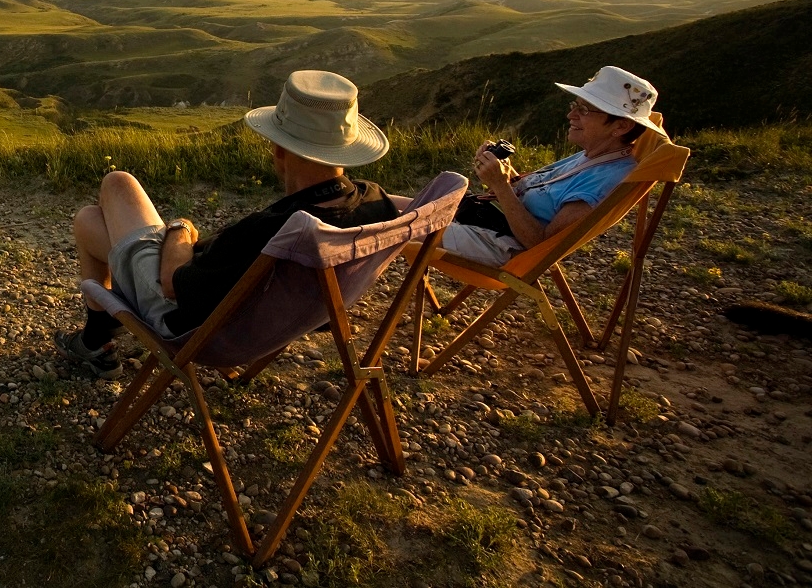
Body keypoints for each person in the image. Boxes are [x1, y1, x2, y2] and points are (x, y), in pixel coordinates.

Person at [55, 70, 401, 379]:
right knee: (90, 219)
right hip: (269, 324)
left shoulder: (281, 230)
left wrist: (180, 229)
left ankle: (97, 341)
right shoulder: (375, 203)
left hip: (196, 328)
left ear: (279, 150)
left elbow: (174, 283)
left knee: (116, 184)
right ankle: (95, 338)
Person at [440, 65, 665, 266]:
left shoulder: (605, 179)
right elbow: (542, 197)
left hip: (499, 243)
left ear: (621, 127)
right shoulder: (593, 156)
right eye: (575, 106)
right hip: (487, 222)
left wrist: (501, 186)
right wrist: (507, 175)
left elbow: (541, 244)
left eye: (584, 110)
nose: (570, 115)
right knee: (408, 208)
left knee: (405, 225)